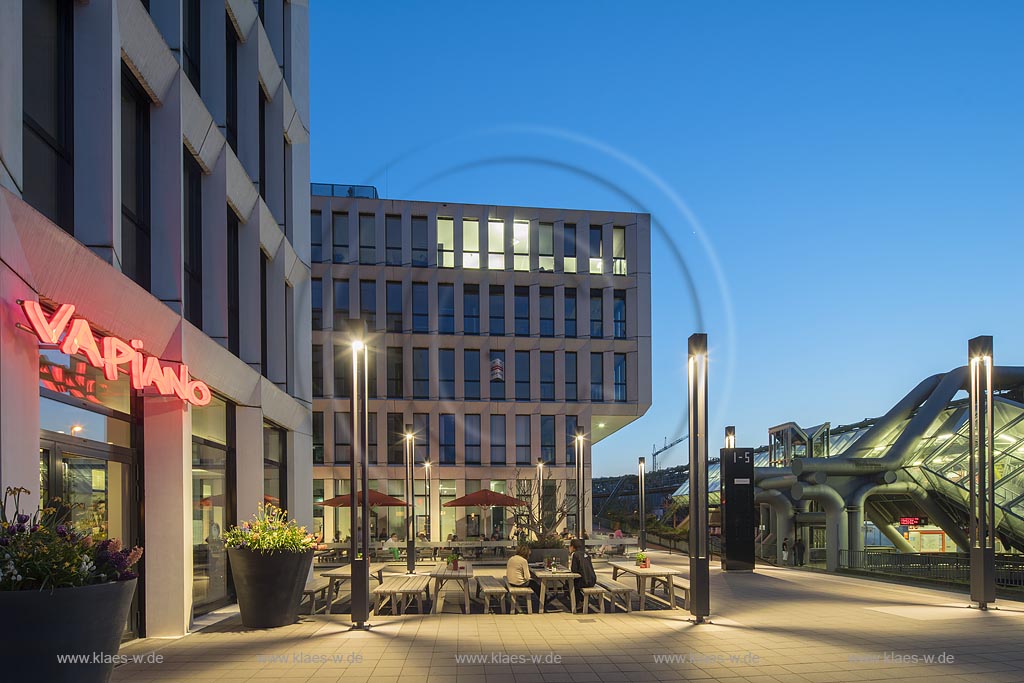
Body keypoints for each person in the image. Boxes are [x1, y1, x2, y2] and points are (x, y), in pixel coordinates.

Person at [569, 538, 597, 611]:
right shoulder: (586, 554)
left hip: (584, 581)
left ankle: (581, 601)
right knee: (572, 583)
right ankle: (581, 600)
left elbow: (574, 570)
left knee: (569, 584)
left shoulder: (575, 555)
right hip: (592, 579)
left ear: (572, 547)